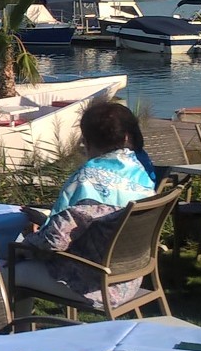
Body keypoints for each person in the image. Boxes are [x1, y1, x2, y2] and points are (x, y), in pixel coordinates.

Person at [16, 100, 157, 311]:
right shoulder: (142, 171)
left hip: (94, 282)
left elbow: (54, 242)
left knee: (7, 269)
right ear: (127, 137)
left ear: (86, 139)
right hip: (130, 278)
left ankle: (19, 336)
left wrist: (27, 243)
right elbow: (93, 219)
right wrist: (47, 221)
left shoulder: (86, 181)